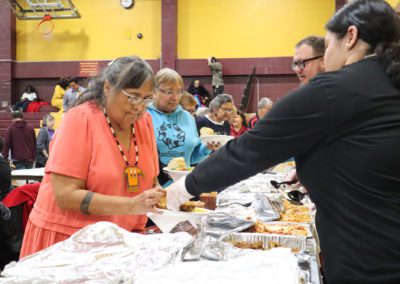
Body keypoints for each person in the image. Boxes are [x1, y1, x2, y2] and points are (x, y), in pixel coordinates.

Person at [166, 1, 400, 283]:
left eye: (327, 46)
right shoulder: (387, 81)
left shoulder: (333, 89)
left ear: (350, 37)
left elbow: (249, 150)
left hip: (369, 258)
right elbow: (370, 151)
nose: (326, 57)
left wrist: (184, 187)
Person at [20, 56, 165, 258]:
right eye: (133, 96)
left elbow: (151, 179)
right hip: (69, 242)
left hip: (122, 240)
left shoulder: (145, 121)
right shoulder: (81, 119)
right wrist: (131, 205)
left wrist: (158, 193)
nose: (139, 106)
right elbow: (66, 196)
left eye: (147, 98)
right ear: (107, 87)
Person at [147, 68, 216, 186]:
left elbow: (192, 157)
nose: (175, 97)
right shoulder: (144, 116)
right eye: (169, 92)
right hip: (154, 188)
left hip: (184, 187)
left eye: (179, 91)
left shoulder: (188, 117)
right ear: (154, 92)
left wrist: (206, 148)